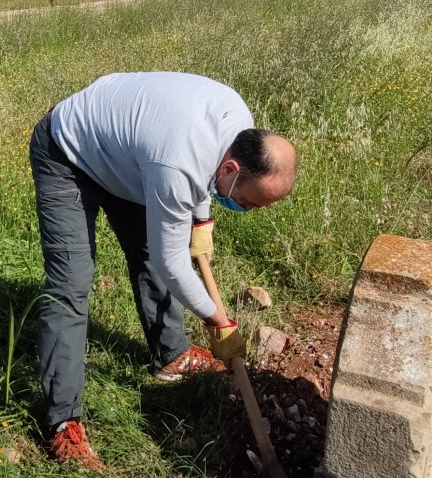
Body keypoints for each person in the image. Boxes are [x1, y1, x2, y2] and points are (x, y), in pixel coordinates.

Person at [27, 72, 297, 472]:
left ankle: (171, 354)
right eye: (247, 201)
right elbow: (175, 261)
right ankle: (62, 420)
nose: (249, 210)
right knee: (71, 284)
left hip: (130, 157)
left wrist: (201, 221)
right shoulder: (176, 165)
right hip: (68, 151)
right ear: (232, 168)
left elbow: (205, 183)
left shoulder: (238, 125)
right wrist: (218, 320)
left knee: (149, 253)